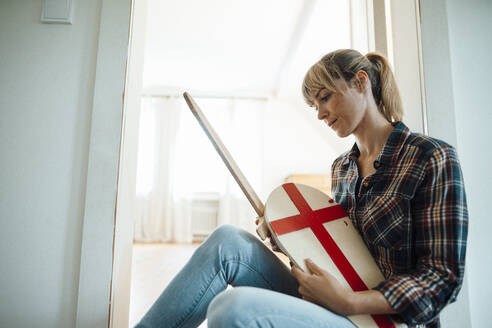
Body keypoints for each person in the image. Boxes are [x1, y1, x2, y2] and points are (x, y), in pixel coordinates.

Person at [135, 49, 468, 328]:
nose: (320, 113)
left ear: (361, 82)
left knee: (232, 308)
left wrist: (349, 301)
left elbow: (442, 278)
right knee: (228, 241)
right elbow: (338, 253)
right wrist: (286, 235)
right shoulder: (343, 168)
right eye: (313, 105)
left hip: (386, 321)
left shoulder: (430, 156)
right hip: (337, 302)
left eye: (325, 97)